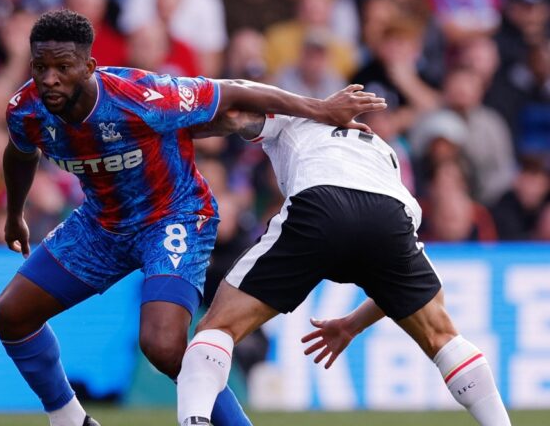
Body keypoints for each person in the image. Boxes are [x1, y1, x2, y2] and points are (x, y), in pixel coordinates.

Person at [0, 9, 385, 426]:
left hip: (172, 217)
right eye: (40, 67)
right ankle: (70, 419)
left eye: (63, 67)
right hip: (102, 224)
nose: (49, 78)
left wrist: (319, 109)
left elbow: (231, 91)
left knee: (163, 346)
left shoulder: (141, 96)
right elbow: (20, 152)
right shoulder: (26, 109)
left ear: (89, 66)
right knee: (10, 314)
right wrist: (15, 214)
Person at [175, 111, 511, 426]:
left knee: (218, 328)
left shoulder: (296, 116)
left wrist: (176, 125)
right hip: (389, 212)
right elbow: (394, 287)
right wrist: (352, 325)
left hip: (319, 201)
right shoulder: (383, 150)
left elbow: (236, 112)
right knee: (442, 335)